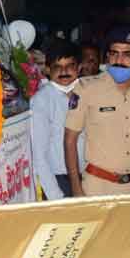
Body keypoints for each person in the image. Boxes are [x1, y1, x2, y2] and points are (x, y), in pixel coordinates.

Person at [64, 25, 130, 198]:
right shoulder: (86, 88)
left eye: (127, 54)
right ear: (107, 57)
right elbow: (69, 139)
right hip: (97, 187)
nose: (119, 60)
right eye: (114, 53)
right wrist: (76, 187)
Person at [30, 40, 84, 200]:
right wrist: (56, 197)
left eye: (70, 66)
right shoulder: (42, 100)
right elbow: (39, 155)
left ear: (79, 67)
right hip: (59, 179)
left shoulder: (88, 92)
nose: (64, 71)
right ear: (47, 69)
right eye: (57, 67)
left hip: (90, 176)